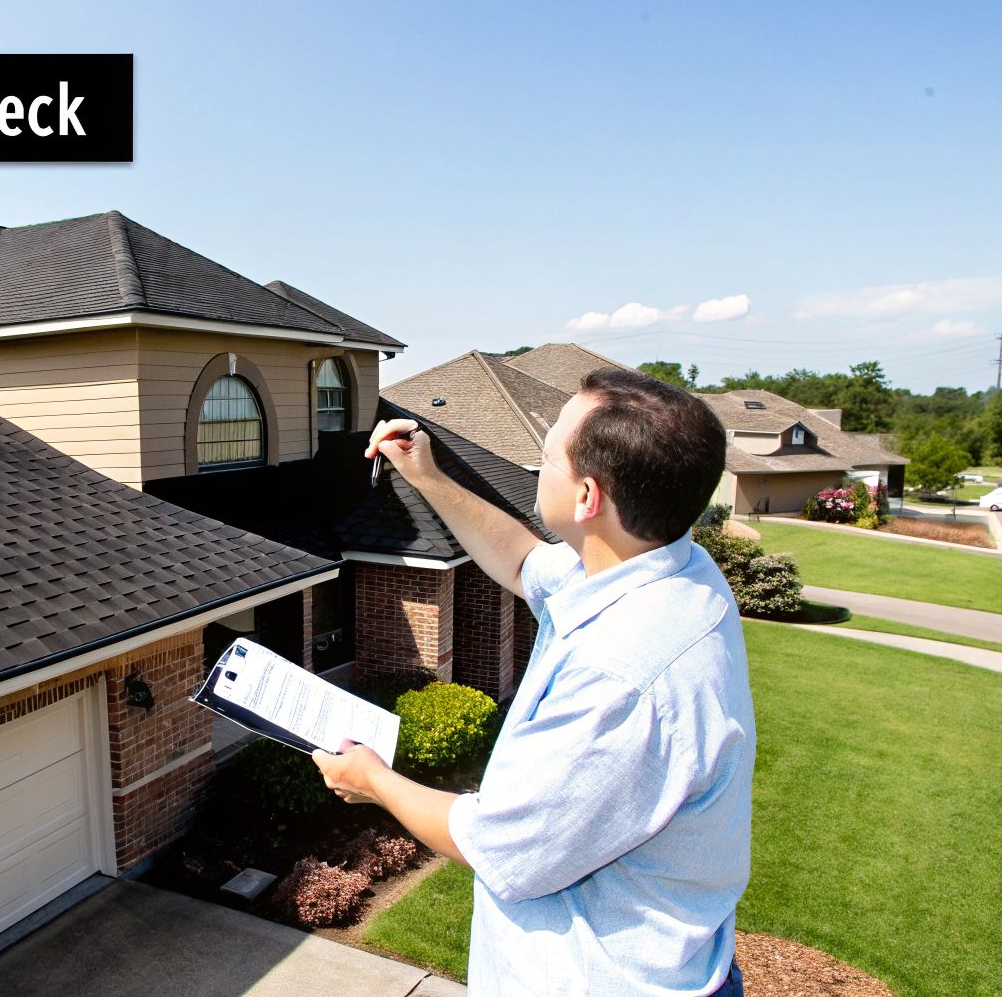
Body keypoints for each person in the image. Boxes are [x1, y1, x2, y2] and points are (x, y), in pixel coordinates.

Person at [312, 366, 754, 996]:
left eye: (546, 455)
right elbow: (522, 562)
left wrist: (374, 780)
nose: (536, 464)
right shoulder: (667, 562)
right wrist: (428, 477)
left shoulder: (622, 680)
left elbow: (501, 847)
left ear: (587, 498)